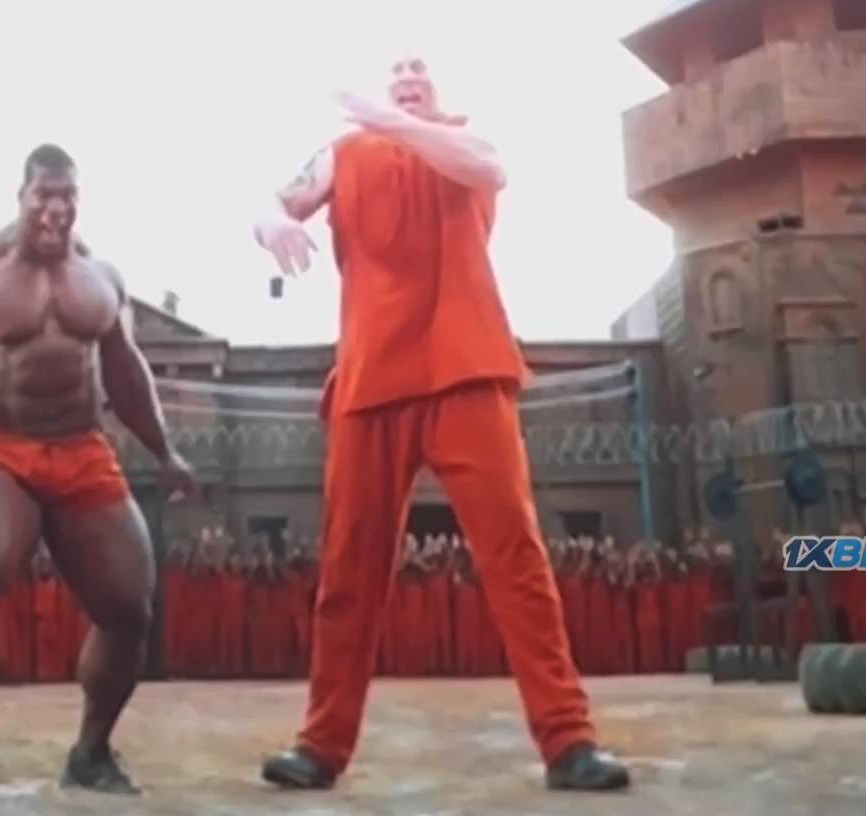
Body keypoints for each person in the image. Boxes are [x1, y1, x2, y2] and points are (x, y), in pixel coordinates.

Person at [250, 55, 629, 792]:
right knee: (348, 569)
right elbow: (281, 198)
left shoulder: (461, 143)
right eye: (396, 67)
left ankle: (568, 741)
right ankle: (320, 746)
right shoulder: (345, 153)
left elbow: (489, 168)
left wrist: (392, 120)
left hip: (465, 369)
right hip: (370, 380)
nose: (408, 73)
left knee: (515, 557)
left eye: (419, 67)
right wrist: (271, 223)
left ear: (434, 89)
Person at [0, 143, 199, 811]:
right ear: (22, 196)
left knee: (130, 607)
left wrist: (165, 452)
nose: (55, 210)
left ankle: (90, 753)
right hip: (4, 449)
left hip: (83, 450)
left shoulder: (101, 279)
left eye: (67, 197)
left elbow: (127, 373)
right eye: (44, 195)